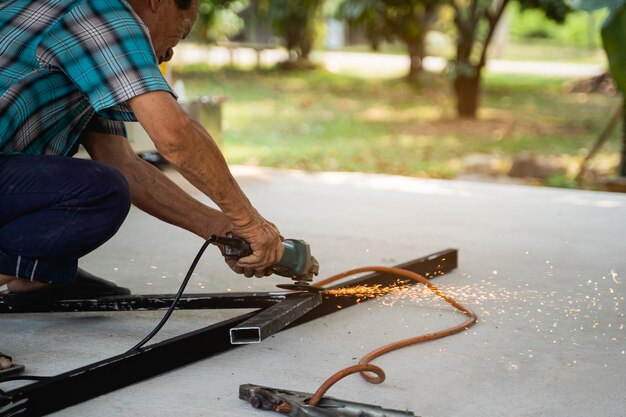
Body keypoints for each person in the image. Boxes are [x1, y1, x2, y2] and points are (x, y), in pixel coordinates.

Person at [0, 0, 284, 370]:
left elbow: (123, 162)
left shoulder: (88, 44)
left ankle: (34, 276)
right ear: (157, 3)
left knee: (94, 185)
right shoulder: (101, 13)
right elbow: (176, 136)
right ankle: (32, 270)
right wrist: (249, 221)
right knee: (95, 192)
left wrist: (224, 230)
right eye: (178, 37)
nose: (166, 53)